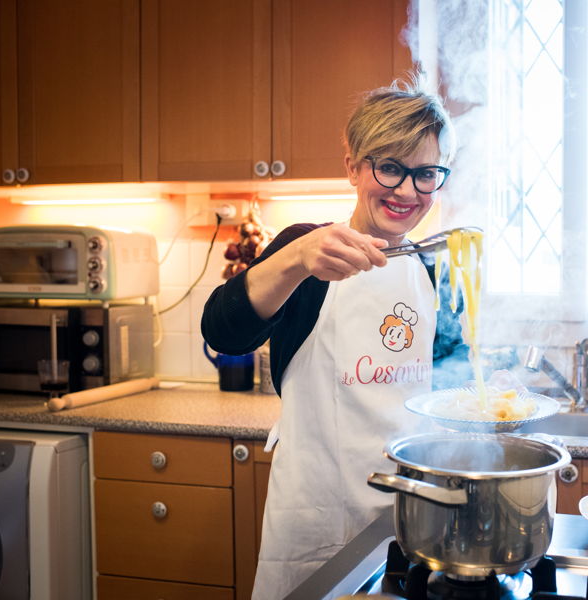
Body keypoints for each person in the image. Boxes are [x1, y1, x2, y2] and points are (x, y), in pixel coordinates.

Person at [201, 74, 470, 599]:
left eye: (425, 174)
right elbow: (223, 332)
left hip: (414, 516)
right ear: (352, 165)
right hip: (316, 514)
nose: (406, 191)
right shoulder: (307, 250)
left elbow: (454, 393)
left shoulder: (435, 268)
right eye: (390, 167)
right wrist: (297, 261)